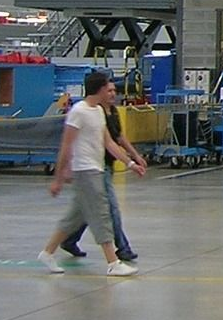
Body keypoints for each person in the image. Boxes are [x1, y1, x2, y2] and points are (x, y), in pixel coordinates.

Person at [37, 72, 146, 277]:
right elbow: (66, 146)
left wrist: (130, 163)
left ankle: (47, 252)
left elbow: (109, 143)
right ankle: (113, 262)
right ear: (100, 89)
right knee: (101, 214)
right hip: (85, 171)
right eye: (109, 88)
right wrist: (58, 179)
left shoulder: (98, 111)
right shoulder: (79, 112)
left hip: (97, 168)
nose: (112, 93)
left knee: (73, 218)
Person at [59, 98, 144, 262]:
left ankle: (66, 241)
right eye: (109, 90)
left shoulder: (109, 112)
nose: (112, 94)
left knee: (84, 210)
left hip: (105, 166)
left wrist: (133, 159)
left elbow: (116, 139)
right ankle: (121, 250)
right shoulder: (84, 111)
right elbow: (68, 143)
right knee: (109, 210)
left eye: (113, 90)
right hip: (93, 168)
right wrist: (63, 171)